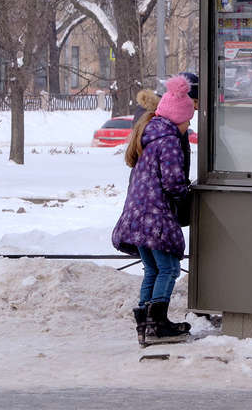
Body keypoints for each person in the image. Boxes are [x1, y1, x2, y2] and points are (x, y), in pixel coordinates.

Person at [111, 76, 194, 347]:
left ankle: (144, 324)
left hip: (136, 216)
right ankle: (157, 325)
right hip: (154, 217)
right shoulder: (168, 140)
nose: (189, 125)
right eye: (188, 120)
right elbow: (173, 183)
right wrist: (187, 193)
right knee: (169, 269)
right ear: (179, 118)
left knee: (151, 269)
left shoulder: (149, 135)